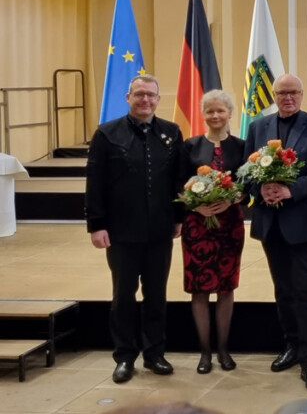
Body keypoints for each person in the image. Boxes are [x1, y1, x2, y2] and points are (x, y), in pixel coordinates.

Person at [85, 74, 183, 383]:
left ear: (158, 99)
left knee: (156, 295)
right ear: (128, 98)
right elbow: (94, 184)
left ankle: (155, 354)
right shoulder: (106, 134)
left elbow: (178, 180)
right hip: (121, 232)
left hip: (160, 231)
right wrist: (96, 225)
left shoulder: (171, 133)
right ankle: (124, 356)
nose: (144, 100)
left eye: (150, 95)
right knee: (123, 296)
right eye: (138, 94)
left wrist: (178, 217)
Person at [243, 74, 307, 392]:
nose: (288, 97)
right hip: (270, 221)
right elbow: (247, 169)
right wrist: (263, 188)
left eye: (293, 92)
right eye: (282, 92)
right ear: (274, 94)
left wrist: (290, 190)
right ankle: (291, 346)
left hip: (303, 220)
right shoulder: (258, 127)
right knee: (282, 289)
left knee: (305, 290)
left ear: (301, 94)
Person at [177, 90, 246, 375]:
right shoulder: (189, 146)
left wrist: (233, 198)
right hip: (197, 226)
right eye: (210, 111)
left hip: (230, 224)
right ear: (203, 115)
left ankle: (224, 350)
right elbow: (179, 184)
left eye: (220, 111)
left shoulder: (242, 147)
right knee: (200, 289)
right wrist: (194, 205)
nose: (215, 116)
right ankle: (205, 352)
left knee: (226, 288)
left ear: (230, 113)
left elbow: (247, 184)